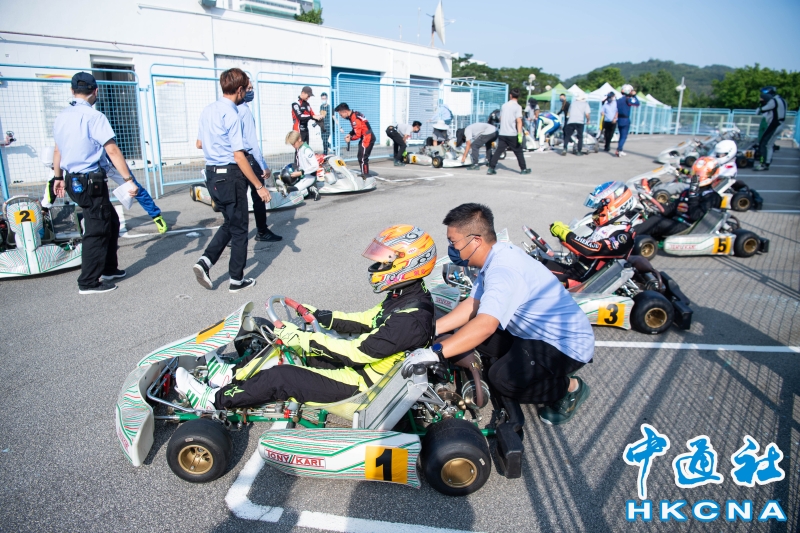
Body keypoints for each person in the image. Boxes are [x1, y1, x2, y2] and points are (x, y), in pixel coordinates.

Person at [174, 224, 438, 410]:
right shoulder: (407, 295)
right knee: (286, 347)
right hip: (362, 371)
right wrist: (320, 316)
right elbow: (366, 320)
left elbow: (358, 352)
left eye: (384, 262)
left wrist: (302, 338)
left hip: (363, 388)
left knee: (282, 377)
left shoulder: (411, 320)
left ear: (407, 264)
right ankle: (230, 376)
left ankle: (212, 401)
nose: (377, 266)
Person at [402, 203, 594, 426]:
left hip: (564, 345)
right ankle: (522, 363)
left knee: (503, 380)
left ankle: (570, 388)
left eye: (453, 242)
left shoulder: (503, 270)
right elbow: (473, 304)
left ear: (476, 240)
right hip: (533, 332)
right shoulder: (496, 256)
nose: (451, 248)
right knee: (465, 334)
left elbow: (485, 325)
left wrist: (435, 352)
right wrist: (432, 330)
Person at [51, 72, 138, 294]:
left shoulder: (62, 116)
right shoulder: (94, 117)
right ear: (95, 91)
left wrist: (58, 177)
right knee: (97, 229)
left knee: (111, 220)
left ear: (72, 91)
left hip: (72, 178)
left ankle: (109, 268)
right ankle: (88, 281)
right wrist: (128, 180)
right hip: (90, 181)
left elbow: (58, 150)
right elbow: (112, 149)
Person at [193, 68, 271, 293]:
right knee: (239, 230)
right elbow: (239, 155)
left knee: (230, 222)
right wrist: (259, 186)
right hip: (230, 175)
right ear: (239, 90)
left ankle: (205, 261)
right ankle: (236, 279)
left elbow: (199, 143)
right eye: (246, 89)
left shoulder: (208, 110)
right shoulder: (233, 114)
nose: (247, 93)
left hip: (211, 174)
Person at [239, 80, 282, 241]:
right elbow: (252, 143)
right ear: (240, 89)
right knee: (258, 195)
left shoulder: (230, 109)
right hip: (249, 157)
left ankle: (234, 235)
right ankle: (262, 231)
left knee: (239, 199)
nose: (251, 91)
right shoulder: (244, 110)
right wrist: (263, 165)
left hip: (236, 158)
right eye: (249, 88)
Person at [486, 88, 530, 175]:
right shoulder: (518, 107)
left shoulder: (504, 105)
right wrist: (520, 134)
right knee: (518, 152)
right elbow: (519, 121)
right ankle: (523, 169)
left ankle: (491, 168)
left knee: (498, 151)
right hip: (512, 133)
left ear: (510, 95)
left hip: (502, 133)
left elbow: (501, 118)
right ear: (518, 96)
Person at [335, 103, 375, 176]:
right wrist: (350, 134)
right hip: (366, 136)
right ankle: (364, 174)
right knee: (360, 156)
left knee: (363, 158)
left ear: (345, 111)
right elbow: (356, 129)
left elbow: (357, 135)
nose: (341, 116)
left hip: (367, 137)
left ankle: (365, 176)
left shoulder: (355, 118)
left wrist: (350, 138)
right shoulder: (354, 114)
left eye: (341, 115)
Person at [754, 86, 787, 171]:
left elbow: (761, 110)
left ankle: (763, 163)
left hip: (774, 124)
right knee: (769, 145)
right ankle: (767, 163)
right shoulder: (782, 100)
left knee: (763, 143)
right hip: (780, 124)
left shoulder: (774, 101)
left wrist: (761, 104)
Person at [284, 130, 322, 201]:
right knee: (288, 185)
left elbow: (315, 166)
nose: (293, 146)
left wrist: (301, 172)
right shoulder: (300, 149)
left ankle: (312, 187)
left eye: (294, 143)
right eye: (292, 144)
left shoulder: (306, 150)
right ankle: (309, 189)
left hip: (310, 177)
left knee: (292, 190)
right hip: (304, 176)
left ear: (299, 139)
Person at [615, 84, 639, 157]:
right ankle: (619, 149)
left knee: (621, 135)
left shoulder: (618, 100)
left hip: (619, 119)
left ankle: (620, 149)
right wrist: (634, 96)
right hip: (625, 119)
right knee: (624, 136)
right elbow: (637, 103)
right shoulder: (628, 99)